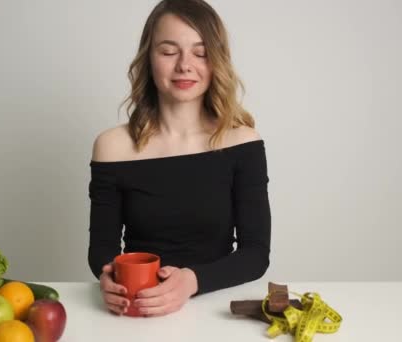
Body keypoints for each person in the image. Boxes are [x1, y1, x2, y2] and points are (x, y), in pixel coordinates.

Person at [88, 0, 271, 317]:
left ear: (216, 62)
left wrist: (191, 281)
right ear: (149, 59)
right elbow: (102, 251)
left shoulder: (243, 141)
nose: (185, 65)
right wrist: (108, 276)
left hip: (216, 306)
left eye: (200, 53)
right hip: (137, 308)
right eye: (169, 51)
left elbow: (255, 254)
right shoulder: (111, 146)